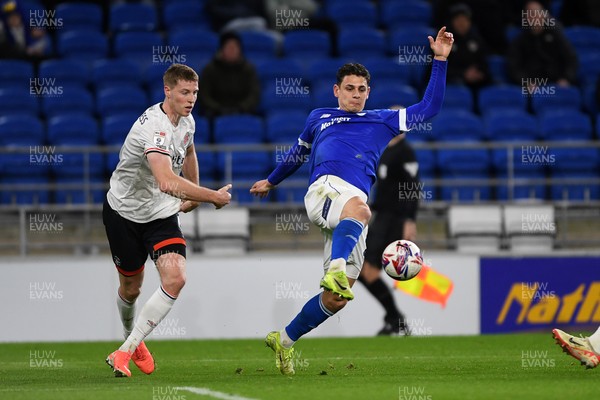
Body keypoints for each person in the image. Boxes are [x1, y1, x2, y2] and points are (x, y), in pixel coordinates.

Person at [250, 27, 453, 376]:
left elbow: (429, 107)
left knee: (337, 298)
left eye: (361, 90)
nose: (356, 95)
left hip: (350, 208)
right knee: (361, 210)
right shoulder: (319, 117)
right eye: (349, 89)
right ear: (336, 90)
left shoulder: (382, 121)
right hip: (325, 191)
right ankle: (334, 270)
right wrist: (271, 180)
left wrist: (439, 60)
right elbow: (297, 155)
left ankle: (282, 340)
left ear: (368, 92)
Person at [103, 63, 232, 377]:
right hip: (124, 213)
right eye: (185, 92)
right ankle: (130, 340)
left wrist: (192, 195)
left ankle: (124, 352)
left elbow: (188, 152)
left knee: (175, 278)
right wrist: (210, 196)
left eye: (195, 93)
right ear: (168, 91)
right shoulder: (155, 127)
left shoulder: (186, 121)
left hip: (160, 214)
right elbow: (164, 180)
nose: (191, 99)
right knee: (131, 288)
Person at [358, 127, 420, 336]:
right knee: (361, 270)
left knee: (368, 270)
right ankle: (394, 319)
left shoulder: (405, 152)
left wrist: (410, 220)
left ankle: (395, 320)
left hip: (395, 218)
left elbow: (413, 187)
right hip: (381, 217)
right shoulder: (385, 150)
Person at [507, 1, 578, 91]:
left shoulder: (556, 36)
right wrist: (525, 82)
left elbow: (571, 58)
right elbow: (514, 66)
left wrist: (566, 78)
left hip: (557, 83)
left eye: (537, 13)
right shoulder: (519, 40)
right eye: (530, 13)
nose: (534, 17)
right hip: (533, 85)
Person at [198, 31, 261, 119]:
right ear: (222, 49)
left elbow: (254, 94)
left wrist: (241, 108)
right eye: (229, 47)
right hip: (216, 114)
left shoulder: (248, 69)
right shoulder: (210, 69)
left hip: (243, 113)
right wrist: (217, 109)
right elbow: (204, 95)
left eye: (235, 47)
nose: (232, 50)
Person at [446, 3, 491, 90]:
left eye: (464, 19)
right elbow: (437, 69)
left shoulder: (477, 39)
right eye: (458, 20)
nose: (461, 23)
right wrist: (463, 74)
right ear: (452, 22)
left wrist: (478, 73)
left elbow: (484, 64)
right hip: (452, 83)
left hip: (476, 84)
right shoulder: (444, 41)